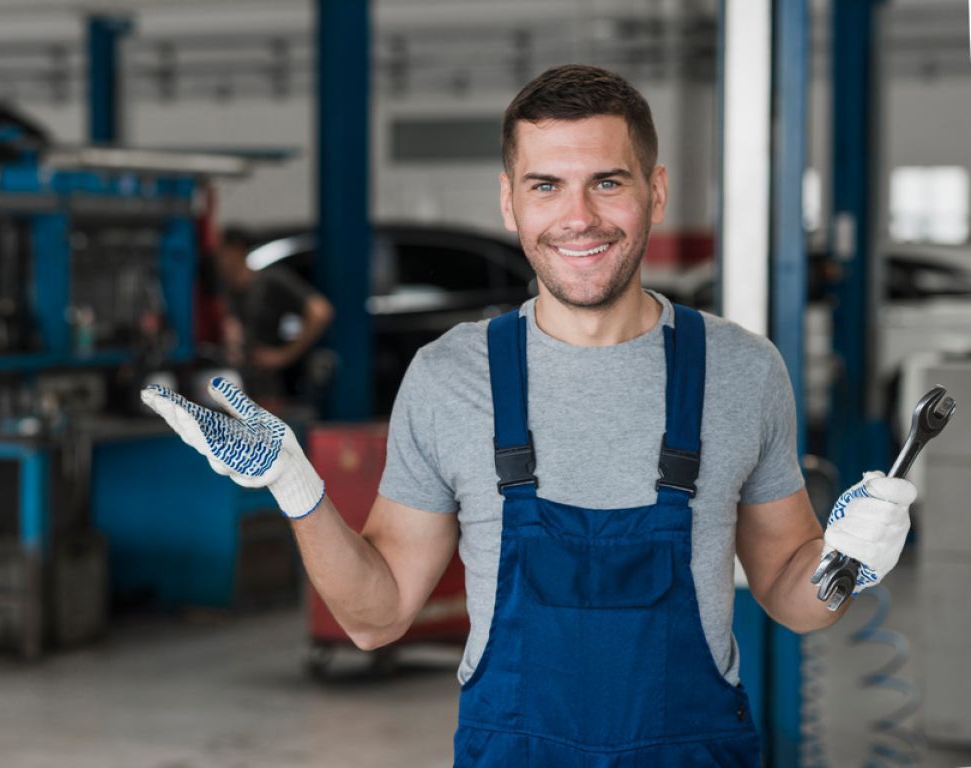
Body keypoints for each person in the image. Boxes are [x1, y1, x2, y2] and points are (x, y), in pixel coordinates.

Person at [142, 65, 916, 765]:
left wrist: (842, 561)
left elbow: (793, 601)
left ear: (656, 189)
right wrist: (297, 489)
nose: (577, 217)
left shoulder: (741, 371)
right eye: (546, 185)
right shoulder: (450, 377)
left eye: (607, 182)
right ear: (509, 202)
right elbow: (374, 620)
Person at [212, 226, 335, 410]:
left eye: (220, 252)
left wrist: (283, 356)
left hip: (264, 391)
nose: (215, 260)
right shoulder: (220, 292)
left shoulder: (269, 282)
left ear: (236, 250)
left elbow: (320, 311)